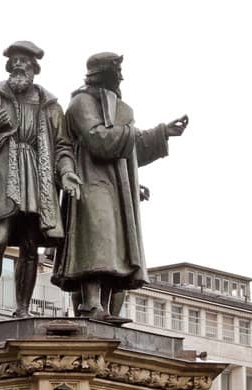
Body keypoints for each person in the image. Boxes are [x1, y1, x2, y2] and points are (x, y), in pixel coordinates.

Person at [54, 52, 188, 321]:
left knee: (114, 247)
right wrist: (130, 131)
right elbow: (98, 139)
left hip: (116, 187)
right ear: (104, 75)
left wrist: (162, 133)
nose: (120, 79)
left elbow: (132, 149)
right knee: (95, 241)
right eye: (116, 73)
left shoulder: (119, 107)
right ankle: (91, 305)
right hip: (89, 181)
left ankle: (104, 308)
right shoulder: (81, 103)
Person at [0, 41, 79, 322]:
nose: (19, 66)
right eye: (14, 61)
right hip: (3, 176)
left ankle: (22, 308)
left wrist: (67, 170)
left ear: (35, 69)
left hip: (38, 177)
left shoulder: (50, 105)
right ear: (9, 67)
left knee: (29, 245)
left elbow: (62, 146)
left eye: (24, 61)